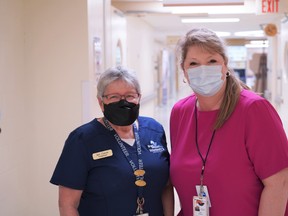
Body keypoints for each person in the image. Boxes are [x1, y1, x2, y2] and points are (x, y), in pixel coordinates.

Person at [169, 27, 288, 216]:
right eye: (193, 63)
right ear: (184, 71)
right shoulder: (180, 112)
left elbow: (279, 183)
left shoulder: (254, 110)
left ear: (225, 66)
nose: (203, 69)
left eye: (212, 61)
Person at [50, 65, 174, 216]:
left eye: (130, 96)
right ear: (101, 102)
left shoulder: (154, 130)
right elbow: (67, 205)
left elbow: (166, 186)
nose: (123, 102)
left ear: (139, 98)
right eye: (114, 97)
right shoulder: (82, 140)